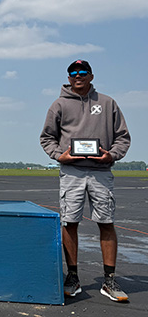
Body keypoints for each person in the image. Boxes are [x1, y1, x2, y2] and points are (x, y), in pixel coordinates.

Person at [40, 59, 131, 302]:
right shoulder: (58, 105)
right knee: (70, 222)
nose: (78, 76)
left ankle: (109, 280)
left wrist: (111, 155)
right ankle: (73, 277)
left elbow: (123, 137)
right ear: (68, 78)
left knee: (107, 222)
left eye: (83, 72)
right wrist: (60, 155)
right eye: (73, 73)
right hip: (72, 172)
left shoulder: (108, 103)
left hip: (101, 172)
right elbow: (47, 137)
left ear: (91, 76)